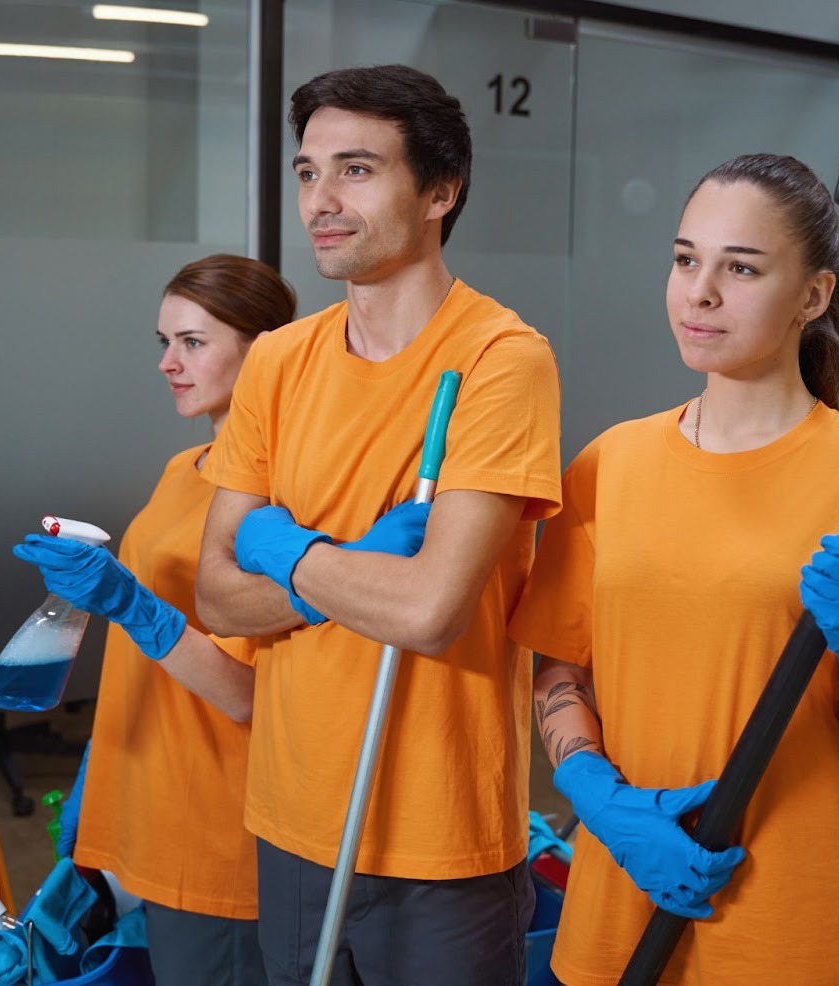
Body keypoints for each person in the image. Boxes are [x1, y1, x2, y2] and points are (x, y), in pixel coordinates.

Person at [509, 154, 839, 985]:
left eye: (741, 268)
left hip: (791, 911)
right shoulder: (611, 463)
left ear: (814, 295)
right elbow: (559, 666)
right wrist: (599, 800)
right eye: (686, 259)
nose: (700, 292)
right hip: (624, 894)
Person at [193, 64, 563, 986]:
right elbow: (215, 595)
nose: (321, 199)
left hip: (439, 837)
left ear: (442, 191)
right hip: (290, 817)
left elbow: (430, 612)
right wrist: (343, 566)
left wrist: (281, 553)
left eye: (356, 170)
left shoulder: (501, 360)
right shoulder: (277, 362)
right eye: (309, 171)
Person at [12, 254, 297, 986]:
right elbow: (148, 642)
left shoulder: (284, 499)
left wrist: (130, 602)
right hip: (149, 797)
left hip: (217, 823)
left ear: (262, 349)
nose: (169, 363)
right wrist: (98, 772)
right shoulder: (189, 467)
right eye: (163, 342)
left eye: (193, 342)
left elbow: (249, 695)